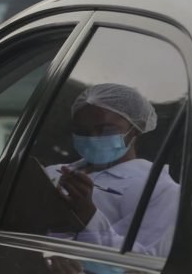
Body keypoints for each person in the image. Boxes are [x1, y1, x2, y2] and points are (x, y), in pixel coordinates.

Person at [46, 83, 179, 257]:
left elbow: (142, 263)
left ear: (136, 128)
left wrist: (88, 216)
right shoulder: (51, 174)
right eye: (82, 131)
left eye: (106, 129)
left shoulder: (159, 190)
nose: (92, 138)